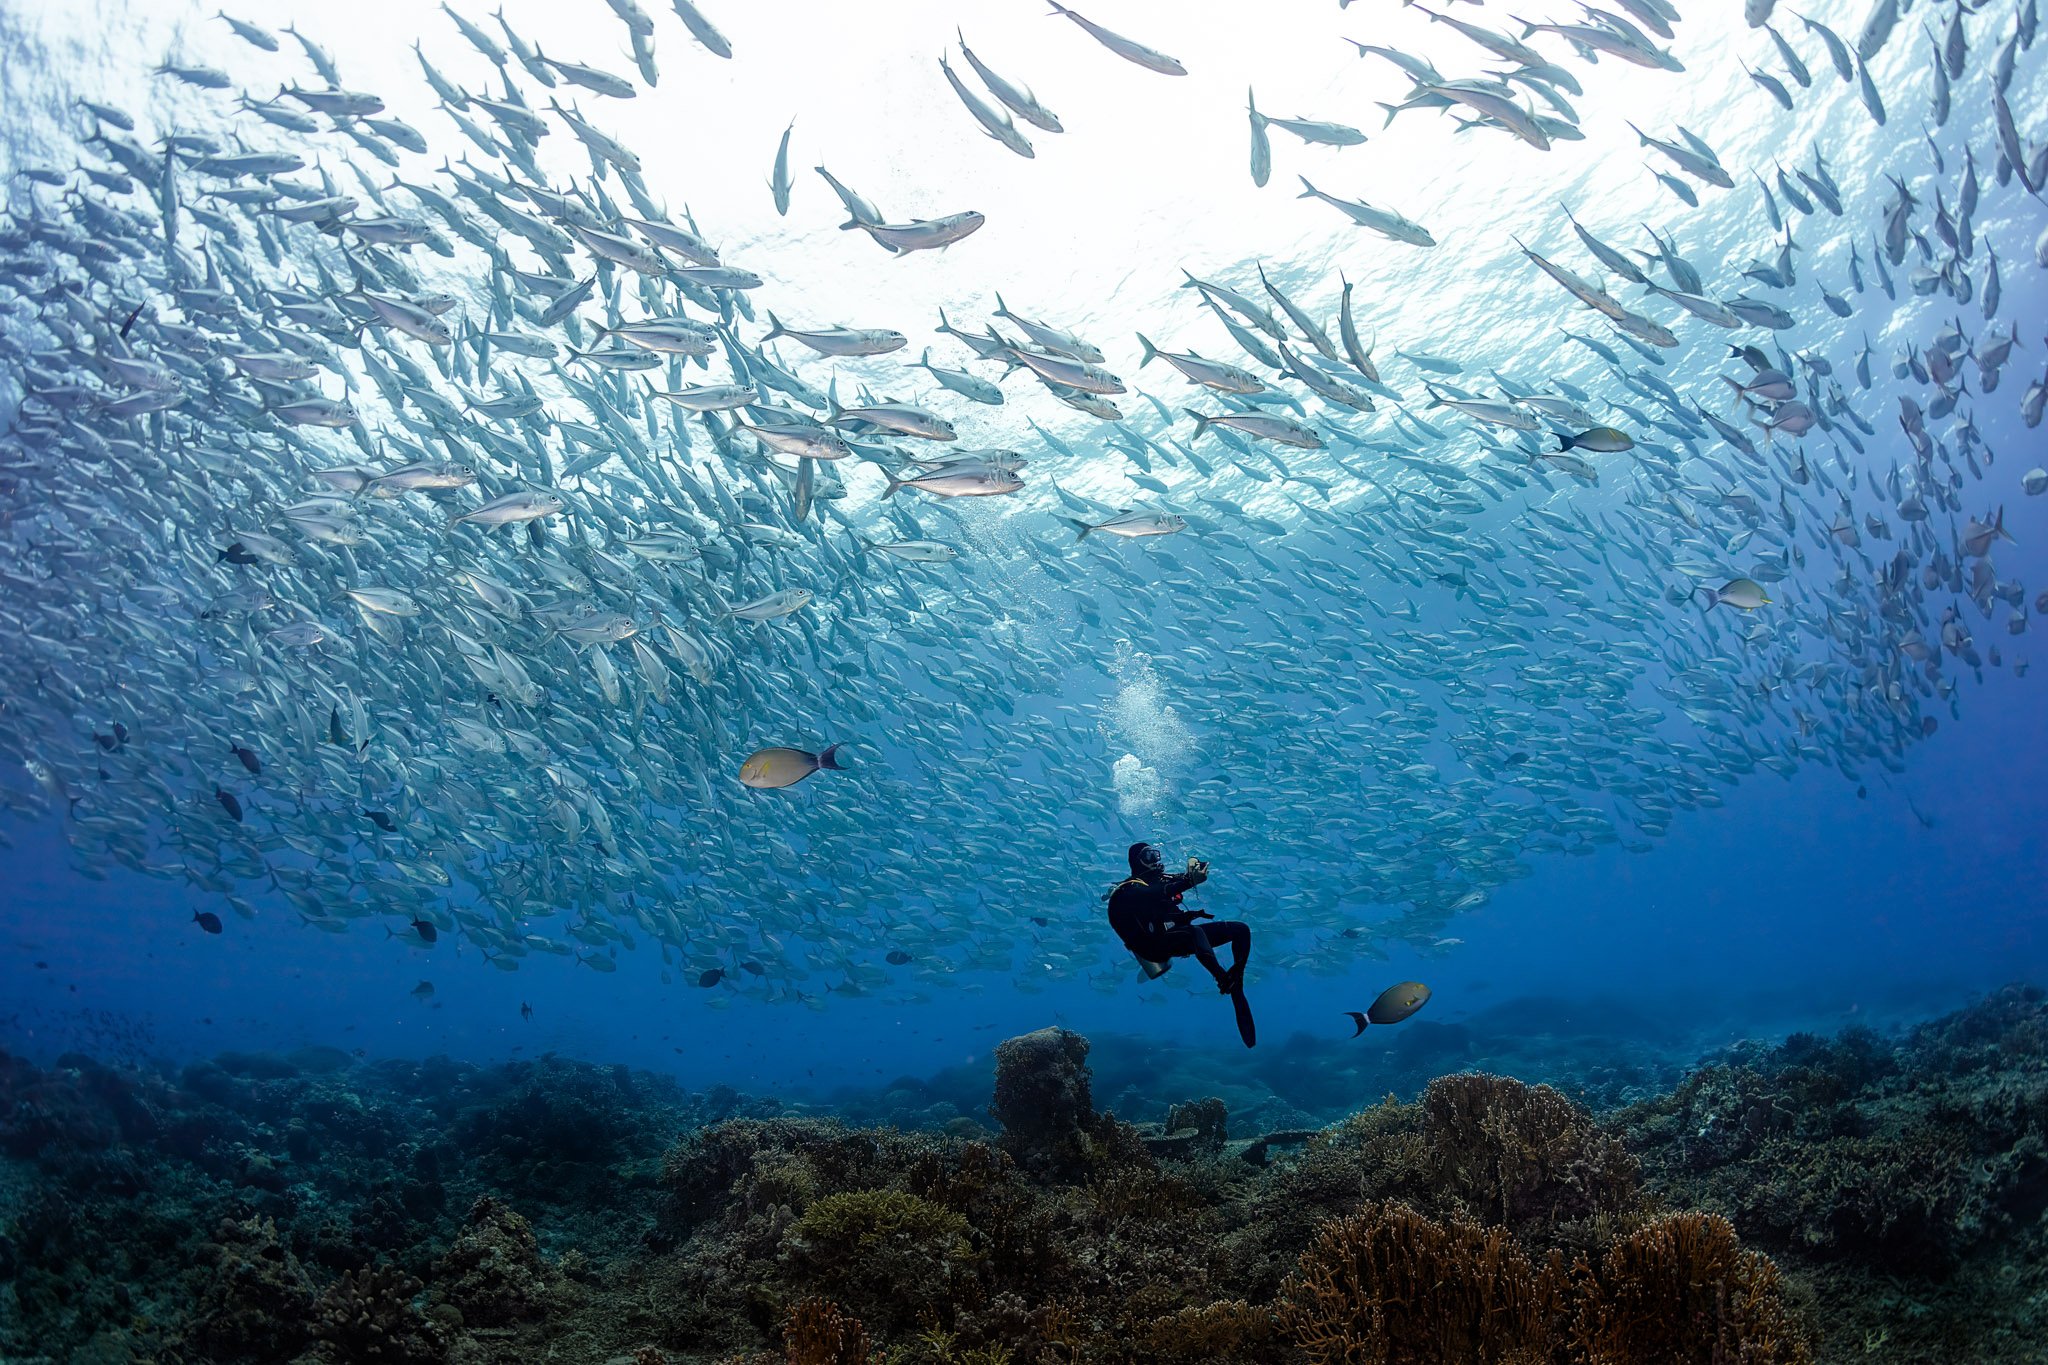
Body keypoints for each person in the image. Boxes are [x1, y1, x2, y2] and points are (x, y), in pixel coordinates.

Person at [1106, 842, 1255, 1046]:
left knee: (1241, 930)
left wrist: (1194, 869)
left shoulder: (1160, 881)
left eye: (1156, 854)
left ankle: (1236, 982)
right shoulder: (1130, 890)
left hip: (1176, 937)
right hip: (1152, 948)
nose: (1155, 860)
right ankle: (1223, 979)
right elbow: (1157, 893)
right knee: (1195, 932)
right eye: (1148, 856)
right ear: (1136, 862)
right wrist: (1190, 880)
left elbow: (1175, 883)